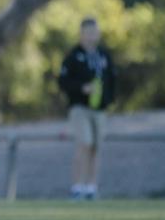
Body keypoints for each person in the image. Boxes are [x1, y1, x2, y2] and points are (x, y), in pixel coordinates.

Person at [58, 17, 115, 200]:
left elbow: (113, 80)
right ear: (81, 34)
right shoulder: (73, 56)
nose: (92, 36)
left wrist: (108, 99)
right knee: (85, 143)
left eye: (95, 32)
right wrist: (82, 88)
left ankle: (91, 187)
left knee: (97, 146)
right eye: (89, 33)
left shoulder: (104, 55)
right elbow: (63, 81)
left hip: (99, 109)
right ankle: (77, 186)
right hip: (80, 107)